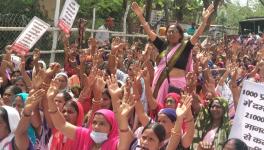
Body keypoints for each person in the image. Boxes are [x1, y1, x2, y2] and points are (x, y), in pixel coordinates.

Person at [131, 2, 214, 103]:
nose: (171, 33)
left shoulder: (185, 46)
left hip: (179, 85)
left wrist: (204, 21)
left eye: (173, 31)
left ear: (180, 35)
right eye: (169, 32)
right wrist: (140, 16)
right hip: (161, 84)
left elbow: (196, 35)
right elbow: (149, 32)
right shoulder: (163, 45)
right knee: (160, 111)